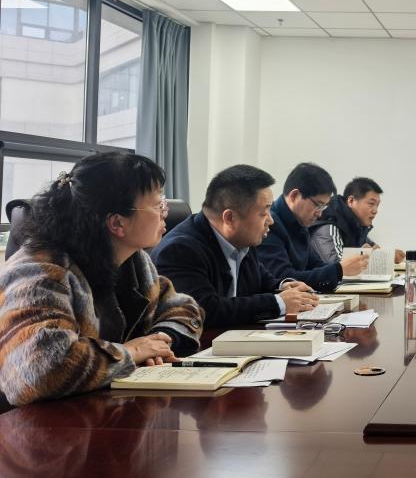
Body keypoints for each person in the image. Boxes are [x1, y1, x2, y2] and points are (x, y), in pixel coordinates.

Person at [0, 152, 203, 406]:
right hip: (34, 423)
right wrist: (132, 351)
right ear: (117, 223)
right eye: (156, 204)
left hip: (100, 409)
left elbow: (183, 307)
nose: (165, 211)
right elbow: (41, 369)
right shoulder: (39, 272)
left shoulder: (134, 262)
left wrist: (160, 341)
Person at [152, 165, 321, 326]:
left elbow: (260, 280)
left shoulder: (243, 240)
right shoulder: (180, 250)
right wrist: (279, 302)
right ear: (230, 218)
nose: (271, 221)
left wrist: (282, 286)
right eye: (264, 213)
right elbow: (204, 310)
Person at [255, 163, 367, 291]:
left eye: (324, 207)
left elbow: (315, 265)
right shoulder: (270, 225)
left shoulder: (300, 223)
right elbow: (283, 279)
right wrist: (339, 270)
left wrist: (341, 269)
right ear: (294, 196)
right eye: (318, 205)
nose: (320, 213)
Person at [310, 176, 405, 265]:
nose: (375, 211)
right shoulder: (329, 225)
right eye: (371, 204)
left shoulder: (357, 226)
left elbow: (374, 249)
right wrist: (365, 255)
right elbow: (337, 266)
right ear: (351, 201)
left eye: (377, 205)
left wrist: (388, 256)